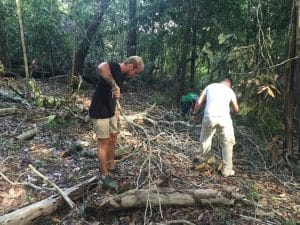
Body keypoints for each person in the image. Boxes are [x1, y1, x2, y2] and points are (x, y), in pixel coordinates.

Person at [89, 56, 144, 189]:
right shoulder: (115, 67)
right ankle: (104, 175)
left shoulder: (121, 75)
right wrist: (114, 85)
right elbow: (101, 67)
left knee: (113, 137)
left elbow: (114, 95)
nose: (134, 76)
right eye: (135, 72)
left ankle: (111, 165)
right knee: (103, 142)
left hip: (111, 111)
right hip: (100, 110)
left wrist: (117, 109)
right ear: (131, 65)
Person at [191, 77, 239, 177]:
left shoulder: (209, 87)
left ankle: (204, 164)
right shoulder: (230, 91)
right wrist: (228, 108)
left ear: (221, 81)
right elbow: (236, 109)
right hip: (224, 119)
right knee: (227, 143)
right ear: (230, 84)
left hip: (209, 117)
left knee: (205, 140)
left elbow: (199, 102)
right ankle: (226, 170)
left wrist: (194, 114)